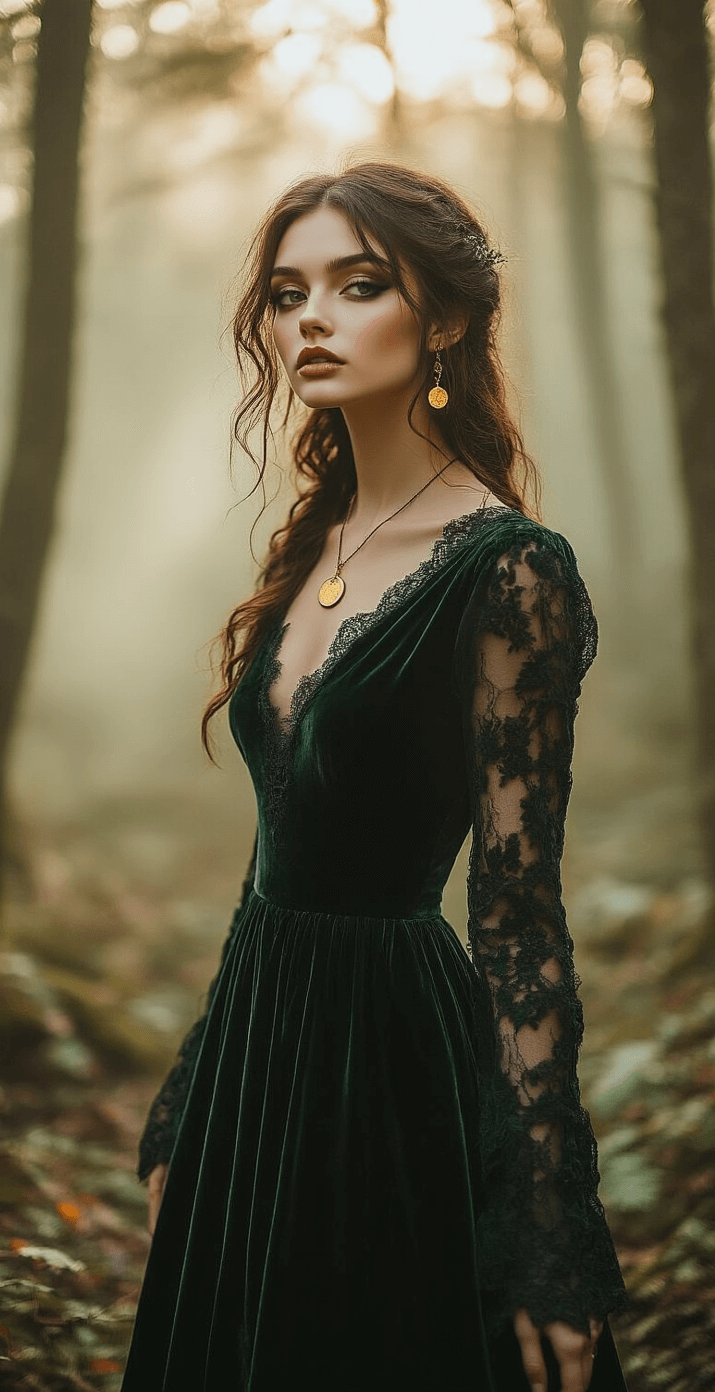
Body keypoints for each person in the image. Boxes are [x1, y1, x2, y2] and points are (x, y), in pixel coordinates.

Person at [120, 162, 629, 1392]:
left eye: (358, 286)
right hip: (260, 1050)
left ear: (443, 319)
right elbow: (280, 844)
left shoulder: (510, 571)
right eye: (289, 293)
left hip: (392, 1069)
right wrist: (199, 1085)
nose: (312, 319)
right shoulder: (323, 535)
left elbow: (516, 916)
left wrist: (549, 1235)